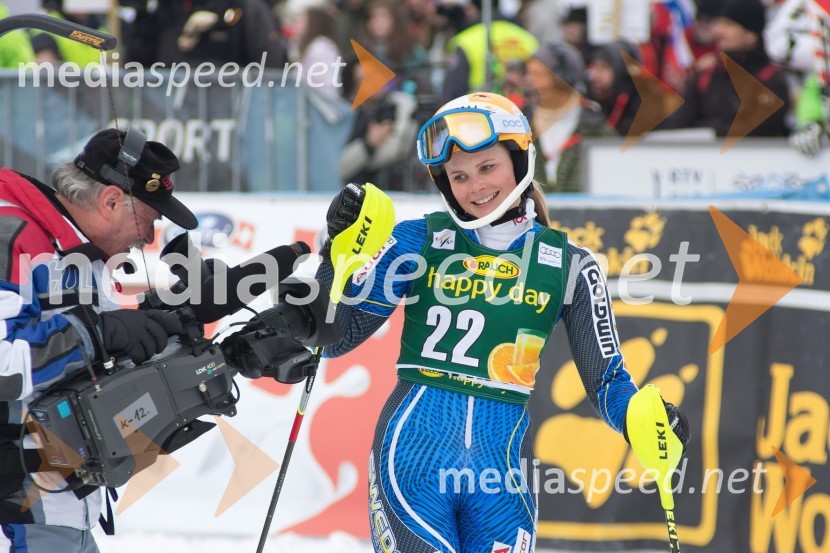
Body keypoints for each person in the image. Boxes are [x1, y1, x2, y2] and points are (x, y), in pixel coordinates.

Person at [317, 92, 690, 552]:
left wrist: (644, 422)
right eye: (458, 176)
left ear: (519, 160)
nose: (475, 187)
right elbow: (336, 336)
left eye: (487, 167)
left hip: (500, 479)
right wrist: (333, 252)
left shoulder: (571, 265)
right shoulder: (418, 240)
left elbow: (607, 381)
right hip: (411, 462)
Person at [0, 129, 198, 552]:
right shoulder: (10, 234)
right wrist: (100, 332)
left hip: (65, 507)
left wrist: (166, 323)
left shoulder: (79, 252)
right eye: (149, 218)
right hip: (18, 513)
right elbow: (3, 369)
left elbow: (87, 364)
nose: (148, 237)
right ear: (110, 201)